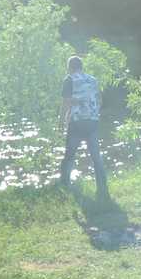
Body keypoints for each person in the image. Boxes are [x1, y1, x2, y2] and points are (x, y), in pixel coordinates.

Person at [59, 54, 107, 200]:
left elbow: (66, 102)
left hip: (76, 122)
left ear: (70, 67)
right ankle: (102, 187)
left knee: (69, 155)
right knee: (96, 156)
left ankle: (64, 185)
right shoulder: (93, 80)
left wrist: (61, 121)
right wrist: (93, 111)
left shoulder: (69, 80)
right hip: (92, 122)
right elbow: (100, 100)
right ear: (81, 67)